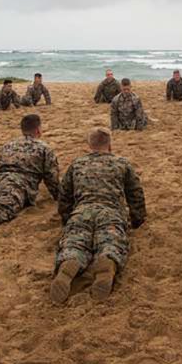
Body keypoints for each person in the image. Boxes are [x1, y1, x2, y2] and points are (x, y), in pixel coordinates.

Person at [49, 128, 146, 305]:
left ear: (90, 145)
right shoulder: (122, 163)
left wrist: (66, 218)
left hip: (82, 211)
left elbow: (64, 195)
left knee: (74, 241)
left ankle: (69, 263)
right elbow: (136, 194)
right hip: (111, 212)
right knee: (111, 241)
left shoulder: (77, 164)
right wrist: (138, 219)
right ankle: (106, 263)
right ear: (110, 145)